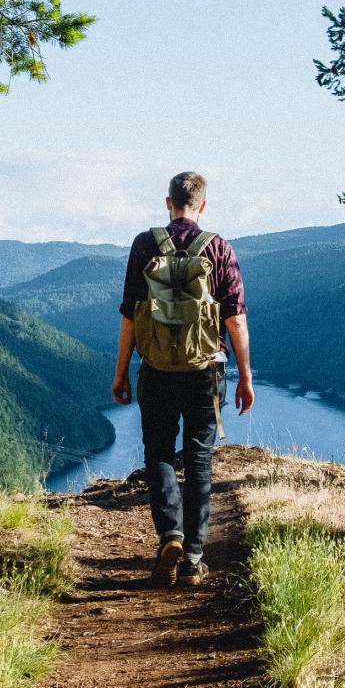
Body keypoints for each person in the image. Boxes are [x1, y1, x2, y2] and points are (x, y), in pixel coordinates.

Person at [112, 171, 253, 587]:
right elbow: (235, 319)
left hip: (155, 369)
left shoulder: (143, 244)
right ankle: (193, 557)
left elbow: (129, 315)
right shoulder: (218, 247)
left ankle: (169, 535)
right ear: (202, 206)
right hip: (205, 371)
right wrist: (245, 376)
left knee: (157, 451)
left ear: (167, 202)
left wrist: (121, 372)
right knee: (198, 457)